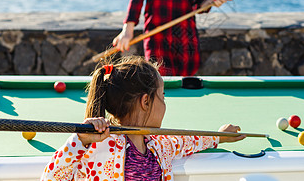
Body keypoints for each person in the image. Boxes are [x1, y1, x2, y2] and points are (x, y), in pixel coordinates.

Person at [41, 56, 245, 181]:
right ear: (146, 101)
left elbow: (186, 140)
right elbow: (51, 178)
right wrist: (80, 141)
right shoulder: (98, 145)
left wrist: (218, 137)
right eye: (162, 97)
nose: (165, 104)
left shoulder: (159, 145)